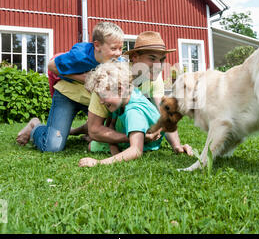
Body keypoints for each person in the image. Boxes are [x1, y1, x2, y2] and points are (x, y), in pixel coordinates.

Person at [16, 22, 124, 152]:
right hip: (67, 95)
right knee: (52, 147)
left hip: (89, 98)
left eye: (121, 48)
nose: (118, 53)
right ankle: (35, 126)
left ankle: (89, 130)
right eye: (113, 48)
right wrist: (85, 78)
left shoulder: (118, 61)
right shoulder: (80, 55)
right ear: (97, 45)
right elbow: (51, 66)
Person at [86, 31, 193, 156]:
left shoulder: (154, 79)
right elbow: (94, 130)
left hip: (126, 117)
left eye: (162, 60)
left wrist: (177, 146)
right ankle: (81, 129)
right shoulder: (110, 78)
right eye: (152, 58)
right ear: (135, 57)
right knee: (90, 133)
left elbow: (163, 114)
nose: (159, 66)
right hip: (112, 115)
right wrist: (135, 138)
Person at [78, 61, 166, 167]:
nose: (101, 101)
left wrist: (98, 163)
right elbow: (111, 125)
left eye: (103, 95)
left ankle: (85, 134)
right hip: (127, 132)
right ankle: (85, 134)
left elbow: (136, 150)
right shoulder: (123, 99)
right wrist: (114, 149)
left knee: (92, 146)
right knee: (94, 144)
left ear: (120, 89)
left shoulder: (134, 112)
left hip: (146, 144)